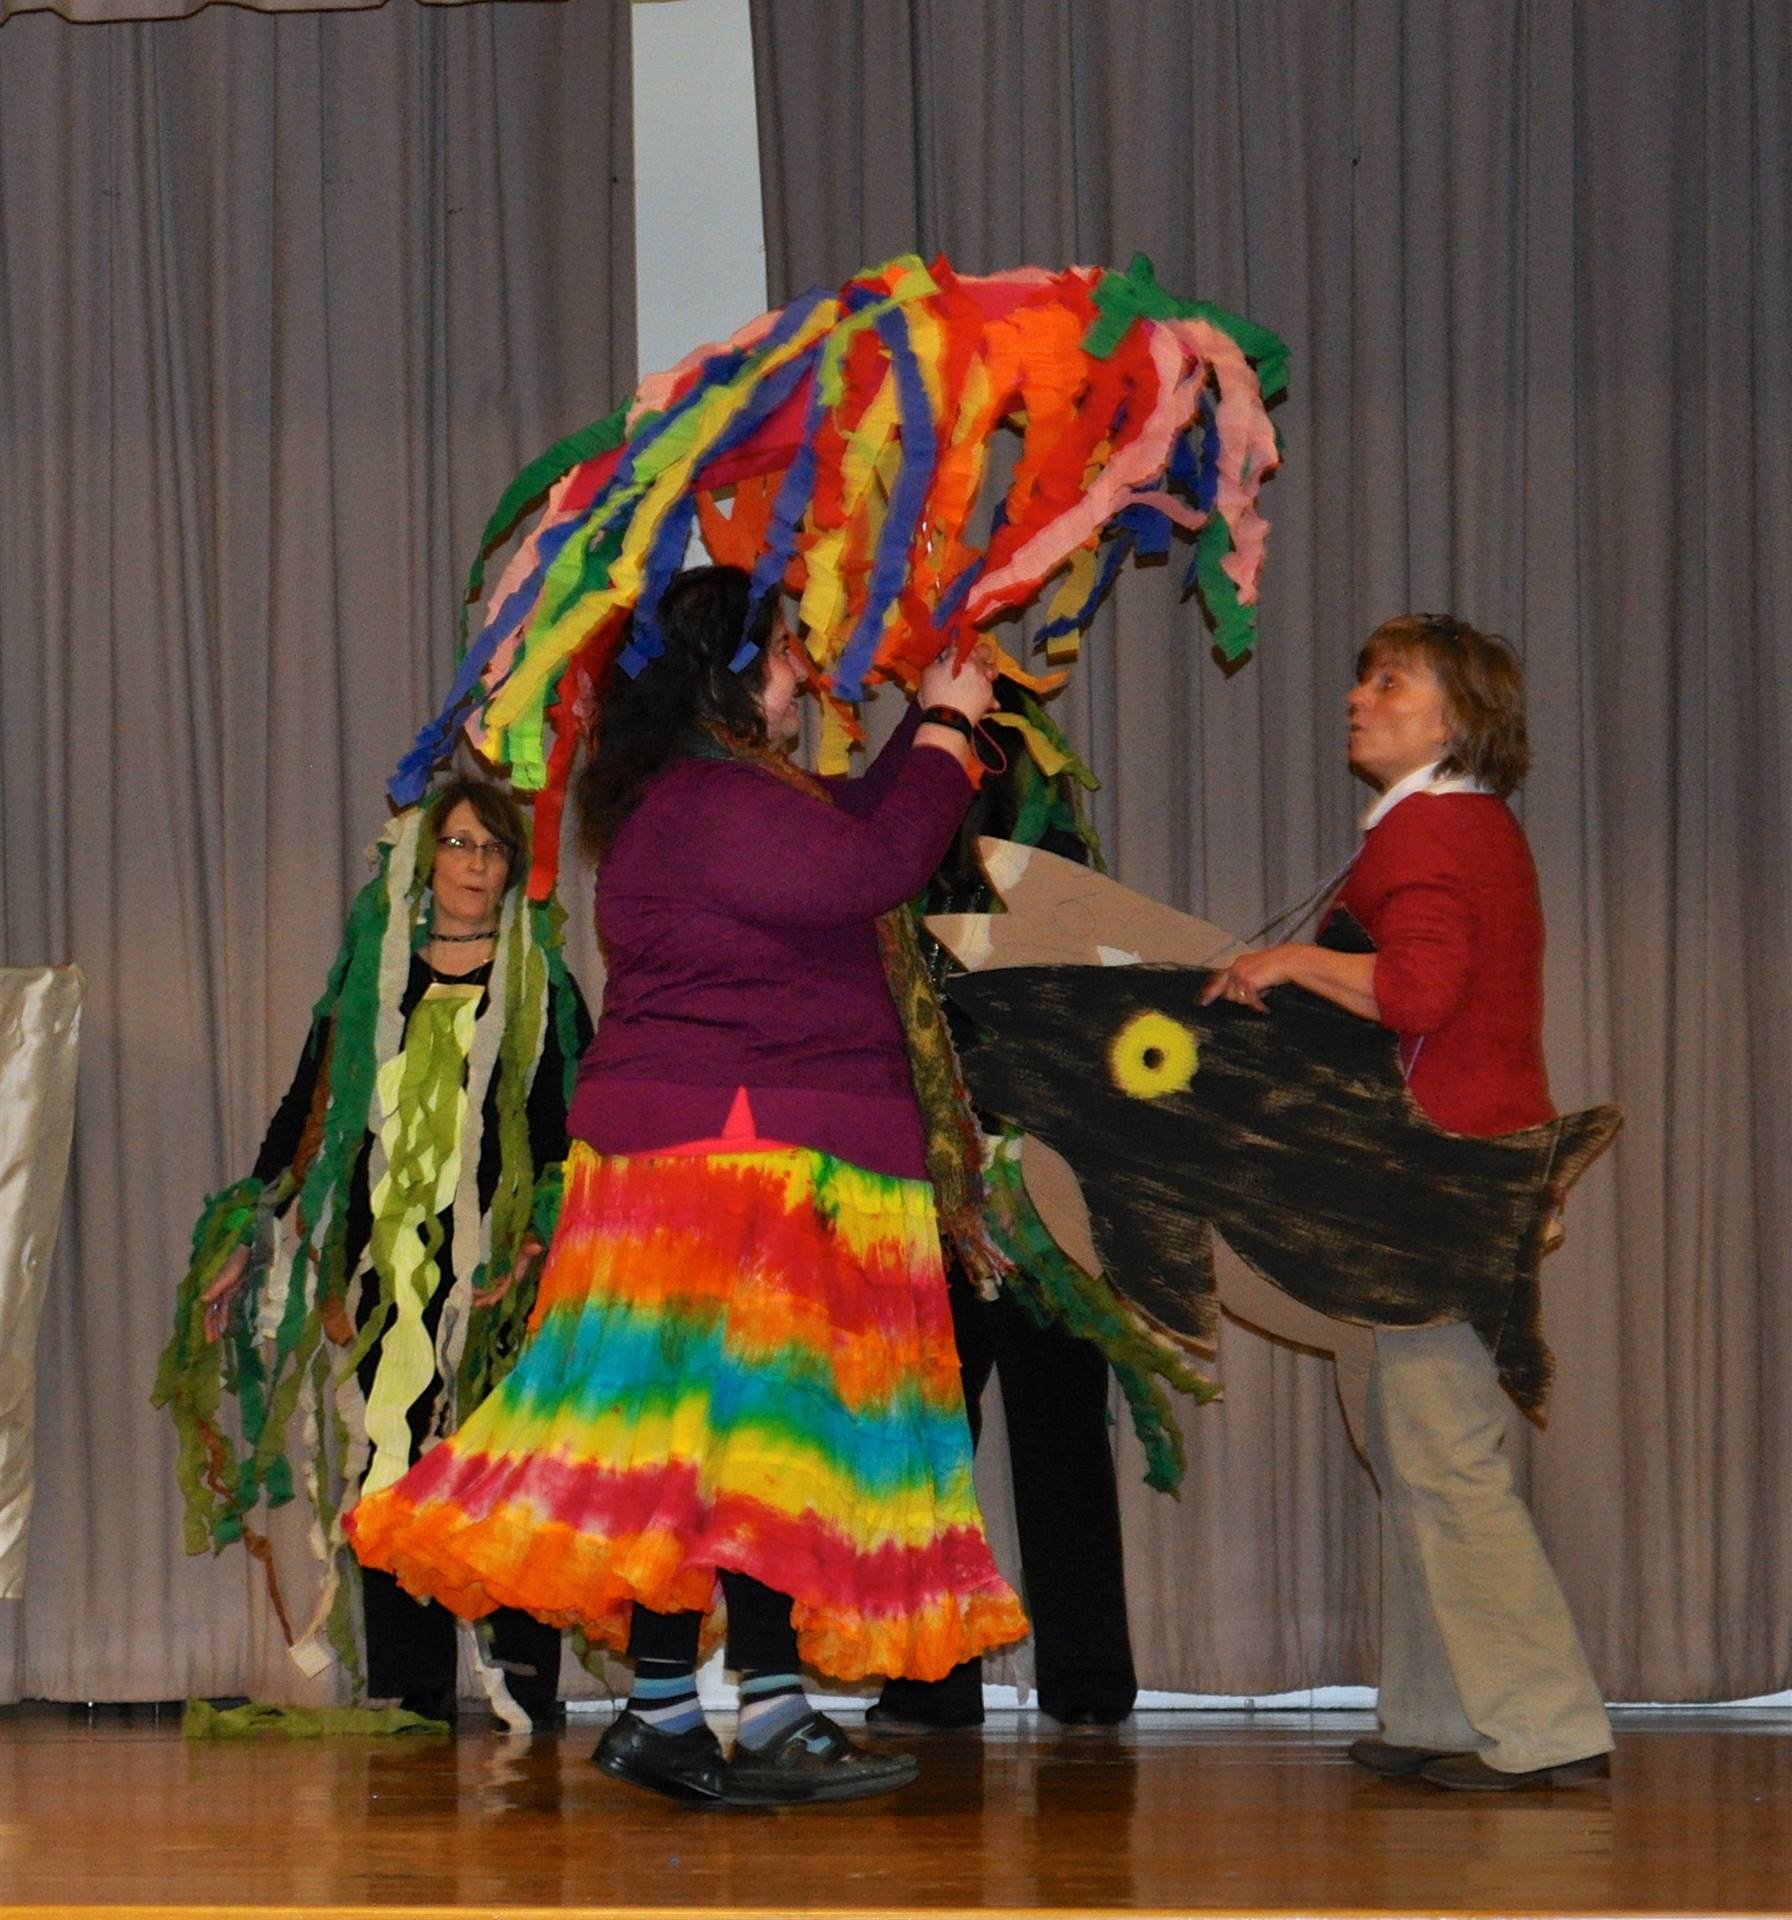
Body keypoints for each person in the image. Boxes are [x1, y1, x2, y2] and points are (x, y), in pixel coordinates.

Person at [347, 564, 1028, 1806]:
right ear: (722, 677)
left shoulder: (721, 797)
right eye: (779, 654)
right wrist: (936, 727)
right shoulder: (713, 803)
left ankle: (719, 1713)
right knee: (719, 1445)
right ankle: (703, 1713)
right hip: (737, 1154)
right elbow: (868, 867)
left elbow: (863, 823)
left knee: (726, 1448)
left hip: (725, 1145)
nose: (801, 674)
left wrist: (947, 714)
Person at [1201, 613, 1613, 1791]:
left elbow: (1419, 991)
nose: (1359, 698)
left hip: (1433, 1187)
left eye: (1390, 682)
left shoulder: (1428, 829)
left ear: (1457, 717)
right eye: (1361, 677)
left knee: (1442, 1458)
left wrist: (1286, 964)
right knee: (1414, 1446)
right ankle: (1439, 1713)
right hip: (1447, 1177)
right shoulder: (1456, 827)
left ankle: (1544, 1729)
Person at [158, 777, 591, 1729]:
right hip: (382, 1266)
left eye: (493, 848)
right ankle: (412, 1690)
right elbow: (304, 1123)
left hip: (497, 1280)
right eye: (461, 843)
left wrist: (529, 1243)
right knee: (388, 1465)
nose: (477, 864)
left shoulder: (540, 983)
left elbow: (573, 1130)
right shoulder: (372, 981)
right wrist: (247, 1234)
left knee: (506, 1471)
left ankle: (526, 1684)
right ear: (425, 858)